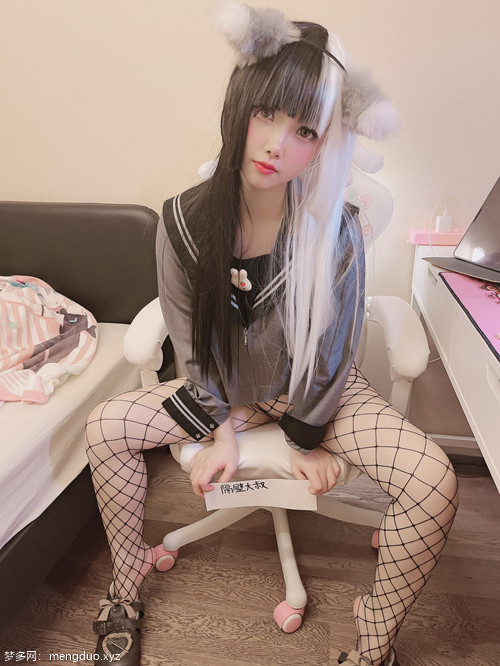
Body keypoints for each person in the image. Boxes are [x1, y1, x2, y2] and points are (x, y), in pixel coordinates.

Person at [85, 3, 459, 665]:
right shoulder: (182, 222)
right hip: (226, 393)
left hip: (321, 396)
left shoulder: (338, 229)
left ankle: (374, 639)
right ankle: (125, 579)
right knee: (103, 428)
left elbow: (333, 350)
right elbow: (192, 343)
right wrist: (222, 428)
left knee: (435, 483)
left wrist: (304, 436)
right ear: (240, 105)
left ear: (324, 142)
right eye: (266, 114)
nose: (275, 145)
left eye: (304, 130)